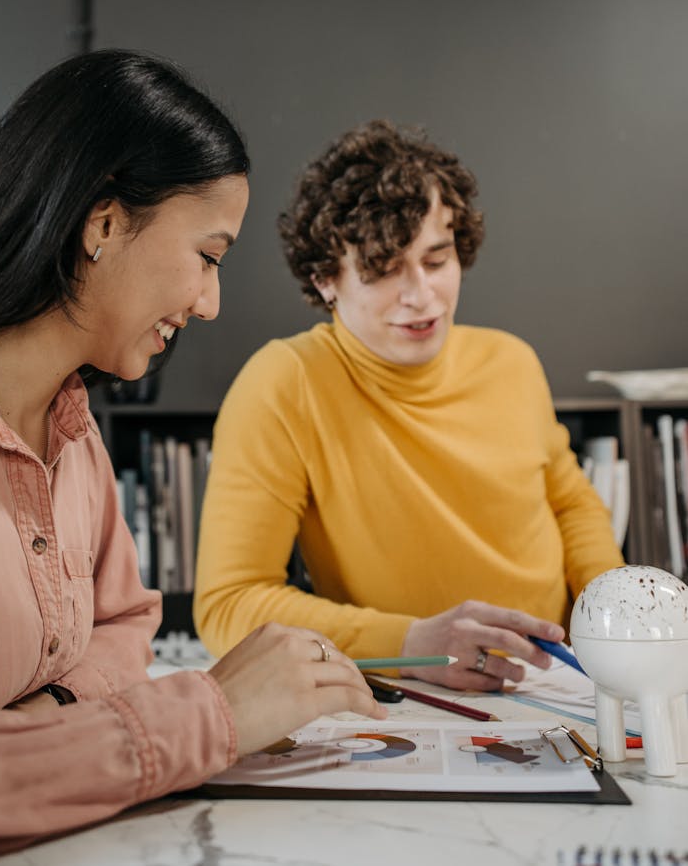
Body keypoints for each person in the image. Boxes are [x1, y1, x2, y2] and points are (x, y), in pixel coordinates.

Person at [0, 51, 384, 863]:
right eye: (208, 257)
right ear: (104, 223)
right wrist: (211, 712)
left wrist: (42, 720)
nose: (210, 302)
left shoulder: (74, 429)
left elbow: (125, 621)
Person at [194, 119, 624, 690]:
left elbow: (571, 506)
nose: (422, 296)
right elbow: (228, 604)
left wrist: (616, 615)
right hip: (415, 692)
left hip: (565, 677)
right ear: (326, 278)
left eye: (437, 260)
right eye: (383, 269)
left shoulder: (513, 362)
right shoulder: (284, 384)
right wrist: (411, 644)